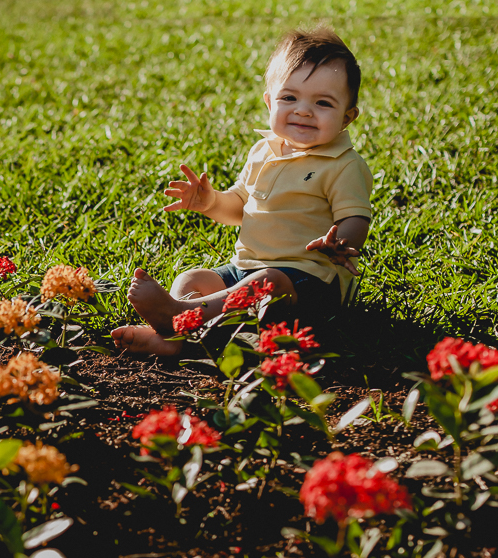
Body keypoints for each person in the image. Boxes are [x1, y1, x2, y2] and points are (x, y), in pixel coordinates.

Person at [113, 26, 373, 356]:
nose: (303, 110)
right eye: (289, 98)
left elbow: (356, 217)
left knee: (269, 281)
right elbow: (239, 207)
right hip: (244, 270)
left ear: (348, 117)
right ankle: (182, 335)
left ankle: (180, 319)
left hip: (308, 283)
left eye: (323, 103)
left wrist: (341, 242)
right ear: (268, 101)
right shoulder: (263, 152)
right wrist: (210, 202)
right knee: (193, 278)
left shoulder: (343, 164)